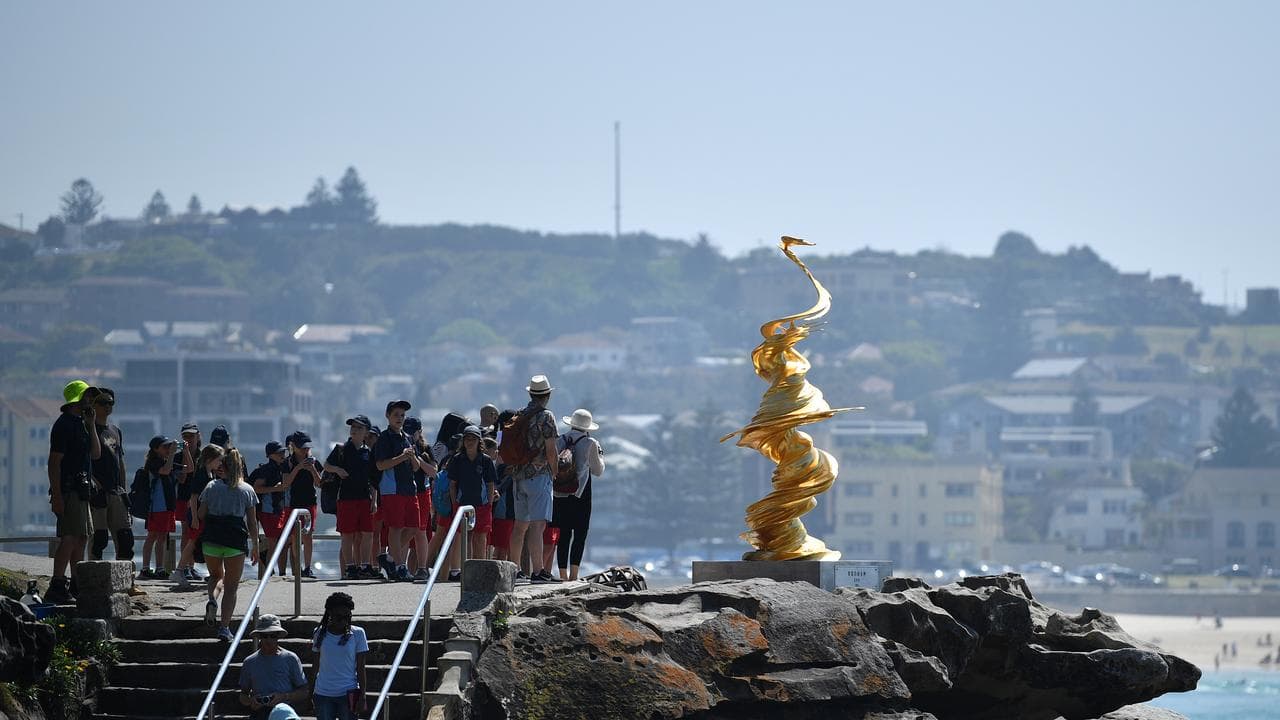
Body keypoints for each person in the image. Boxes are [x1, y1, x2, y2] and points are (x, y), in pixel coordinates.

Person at [196, 444, 260, 642]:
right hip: (234, 540)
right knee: (231, 586)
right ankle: (224, 628)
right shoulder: (247, 490)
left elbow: (200, 514)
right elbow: (251, 522)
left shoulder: (211, 486)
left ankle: (212, 599)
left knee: (215, 576)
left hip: (212, 538)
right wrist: (256, 545)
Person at [46, 380, 102, 604]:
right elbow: (54, 462)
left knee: (82, 536)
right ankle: (57, 584)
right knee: (69, 537)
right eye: (87, 396)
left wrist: (91, 424)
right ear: (76, 400)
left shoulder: (82, 424)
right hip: (69, 490)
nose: (90, 401)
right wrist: (57, 496)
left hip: (82, 490)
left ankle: (75, 584)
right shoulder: (64, 425)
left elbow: (96, 454)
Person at [506, 375, 560, 583]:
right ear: (547, 395)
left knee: (520, 526)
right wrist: (553, 471)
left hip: (519, 476)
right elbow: (551, 451)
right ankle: (538, 571)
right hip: (539, 475)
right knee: (538, 526)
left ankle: (514, 570)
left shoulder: (520, 415)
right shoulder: (546, 417)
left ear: (531, 394)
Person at [374, 400, 426, 582]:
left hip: (409, 488)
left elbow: (417, 466)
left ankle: (388, 558)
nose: (400, 418)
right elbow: (380, 465)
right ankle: (399, 566)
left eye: (402, 415)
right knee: (395, 528)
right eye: (396, 414)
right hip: (391, 489)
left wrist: (412, 458)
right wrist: (401, 457)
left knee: (413, 527)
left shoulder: (408, 437)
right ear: (388, 416)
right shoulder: (384, 438)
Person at [552, 409, 605, 580]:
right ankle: (574, 575)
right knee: (580, 534)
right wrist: (600, 457)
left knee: (564, 533)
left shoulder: (560, 440)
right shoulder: (590, 443)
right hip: (580, 493)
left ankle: (562, 574)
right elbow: (597, 471)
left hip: (559, 492)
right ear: (587, 427)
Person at [325, 415, 378, 580]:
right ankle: (350, 567)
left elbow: (373, 479)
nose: (354, 430)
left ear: (366, 433)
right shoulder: (341, 448)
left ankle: (364, 565)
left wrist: (374, 500)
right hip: (346, 498)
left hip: (364, 498)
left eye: (359, 428)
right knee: (347, 534)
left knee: (367, 533)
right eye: (353, 427)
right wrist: (337, 470)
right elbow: (326, 465)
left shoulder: (368, 452)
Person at [446, 425, 498, 578]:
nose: (470, 442)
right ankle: (465, 569)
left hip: (481, 504)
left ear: (479, 441)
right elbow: (452, 484)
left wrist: (489, 503)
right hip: (463, 505)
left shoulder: (485, 460)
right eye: (467, 438)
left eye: (473, 439)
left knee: (480, 537)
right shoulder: (457, 459)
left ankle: (479, 570)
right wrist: (455, 502)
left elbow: (490, 484)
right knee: (464, 537)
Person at [88, 388, 133, 561]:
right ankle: (91, 578)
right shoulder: (88, 429)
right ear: (94, 404)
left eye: (110, 403)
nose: (107, 406)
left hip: (116, 492)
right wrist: (93, 482)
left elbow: (120, 461)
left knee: (125, 538)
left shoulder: (115, 430)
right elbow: (82, 460)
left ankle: (127, 581)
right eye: (103, 402)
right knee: (98, 539)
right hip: (98, 492)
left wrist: (123, 490)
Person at [311, 592, 369, 720]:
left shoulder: (358, 633)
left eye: (347, 617)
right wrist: (310, 693)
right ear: (330, 614)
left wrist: (363, 695)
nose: (343, 621)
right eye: (339, 617)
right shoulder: (319, 633)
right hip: (323, 693)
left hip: (349, 692)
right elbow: (315, 666)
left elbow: (361, 667)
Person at [239, 614, 308, 720]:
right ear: (260, 637)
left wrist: (284, 697)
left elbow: (304, 692)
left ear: (278, 637)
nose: (269, 640)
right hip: (259, 713)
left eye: (273, 636)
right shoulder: (249, 662)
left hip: (284, 713)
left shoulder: (291, 658)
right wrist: (251, 701)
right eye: (265, 636)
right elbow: (243, 695)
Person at [249, 441, 292, 579]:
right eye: (279, 452)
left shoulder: (280, 467)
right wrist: (276, 488)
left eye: (283, 452)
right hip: (268, 509)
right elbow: (256, 488)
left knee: (277, 541)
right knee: (273, 541)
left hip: (276, 508)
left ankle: (269, 566)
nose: (282, 454)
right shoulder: (267, 469)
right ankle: (268, 571)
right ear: (270, 455)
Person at [283, 431, 322, 578]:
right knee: (295, 537)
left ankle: (307, 567)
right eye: (302, 447)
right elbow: (286, 484)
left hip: (310, 501)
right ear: (294, 447)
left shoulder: (314, 461)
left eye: (307, 447)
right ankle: (297, 567)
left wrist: (312, 469)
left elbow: (319, 483)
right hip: (294, 503)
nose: (305, 450)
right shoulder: (288, 462)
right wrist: (298, 468)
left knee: (308, 535)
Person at [139, 436, 179, 579]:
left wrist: (183, 452)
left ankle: (159, 568)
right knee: (152, 536)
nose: (168, 449)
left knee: (161, 537)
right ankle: (145, 568)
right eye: (165, 447)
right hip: (157, 505)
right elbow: (166, 471)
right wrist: (173, 453)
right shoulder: (154, 462)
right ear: (156, 449)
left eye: (169, 446)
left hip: (166, 505)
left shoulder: (164, 460)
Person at [403, 417, 438, 580]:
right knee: (405, 531)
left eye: (413, 432)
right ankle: (402, 567)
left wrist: (418, 460)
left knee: (421, 531)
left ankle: (422, 568)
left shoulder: (425, 448)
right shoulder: (401, 445)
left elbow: (433, 472)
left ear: (419, 432)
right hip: (406, 492)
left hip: (423, 493)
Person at [174, 422, 205, 581]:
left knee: (196, 534)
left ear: (198, 436)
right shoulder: (178, 456)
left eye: (192, 435)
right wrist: (185, 452)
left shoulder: (203, 455)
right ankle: (184, 567)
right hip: (184, 497)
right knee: (186, 533)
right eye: (185, 436)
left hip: (200, 498)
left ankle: (191, 567)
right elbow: (183, 477)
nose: (189, 439)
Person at [486, 437, 514, 562]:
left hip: (499, 511)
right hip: (504, 512)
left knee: (496, 545)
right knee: (502, 546)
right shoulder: (507, 470)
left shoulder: (498, 468)